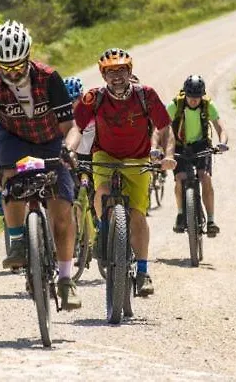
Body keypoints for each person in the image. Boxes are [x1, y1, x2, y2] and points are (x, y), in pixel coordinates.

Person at [0, 20, 81, 310]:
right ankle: (19, 241)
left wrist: (68, 151)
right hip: (13, 139)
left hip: (50, 140)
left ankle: (66, 279)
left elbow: (71, 127)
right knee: (10, 178)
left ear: (29, 57)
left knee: (62, 212)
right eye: (6, 68)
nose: (13, 73)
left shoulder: (49, 78)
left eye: (19, 66)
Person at [73, 47, 176, 296]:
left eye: (121, 70)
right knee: (103, 192)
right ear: (103, 75)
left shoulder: (146, 95)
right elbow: (76, 127)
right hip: (105, 155)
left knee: (138, 215)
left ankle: (142, 272)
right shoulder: (93, 98)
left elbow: (165, 128)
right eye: (110, 72)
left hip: (138, 157)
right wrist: (70, 152)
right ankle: (103, 230)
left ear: (130, 72)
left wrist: (169, 156)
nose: (116, 76)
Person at [165, 74, 228, 237]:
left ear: (202, 95)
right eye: (191, 96)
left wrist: (222, 143)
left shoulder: (208, 105)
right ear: (185, 94)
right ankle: (180, 214)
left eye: (197, 97)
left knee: (205, 177)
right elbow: (162, 127)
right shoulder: (174, 106)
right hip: (180, 145)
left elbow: (221, 127)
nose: (194, 100)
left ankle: (211, 220)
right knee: (180, 178)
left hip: (201, 145)